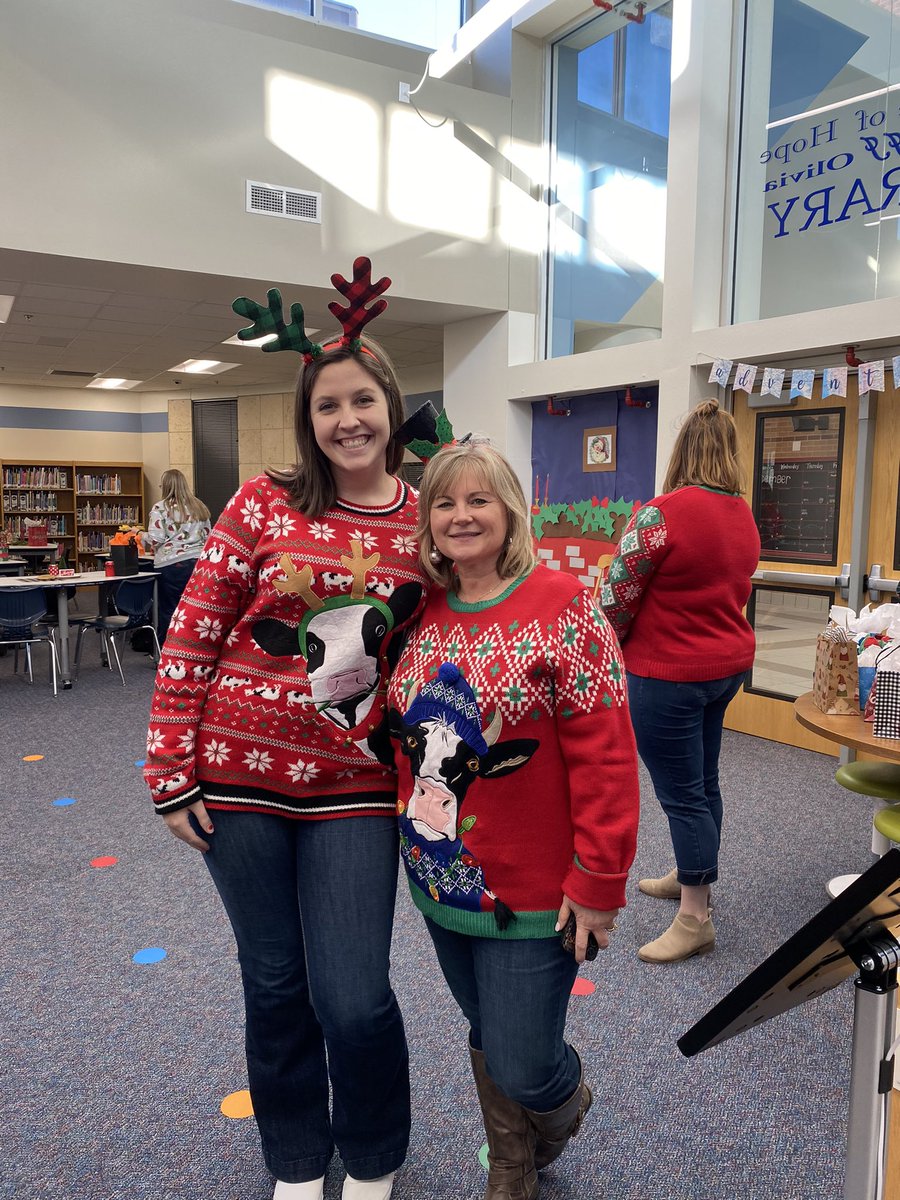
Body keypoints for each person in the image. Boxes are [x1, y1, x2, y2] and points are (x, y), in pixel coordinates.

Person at [143, 294, 427, 1200]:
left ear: (390, 404)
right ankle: (298, 1162)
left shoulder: (425, 523)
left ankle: (375, 1157)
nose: (347, 420)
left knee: (354, 995)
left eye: (362, 400)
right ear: (310, 422)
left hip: (354, 786)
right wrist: (169, 768)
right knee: (274, 985)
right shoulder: (263, 502)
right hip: (237, 783)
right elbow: (193, 634)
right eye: (326, 405)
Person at [387, 440, 639, 1200]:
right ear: (427, 521)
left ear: (510, 511)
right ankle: (511, 1160)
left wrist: (600, 878)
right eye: (443, 502)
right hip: (440, 874)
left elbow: (607, 755)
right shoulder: (418, 611)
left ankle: (562, 1106)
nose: (460, 516)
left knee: (525, 1056)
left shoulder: (565, 607)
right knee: (489, 1028)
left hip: (537, 886)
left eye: (478, 500)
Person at [601, 398, 760, 964]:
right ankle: (692, 876)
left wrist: (611, 642)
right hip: (725, 669)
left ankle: (695, 916)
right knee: (703, 779)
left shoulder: (661, 514)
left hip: (668, 673)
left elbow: (616, 595)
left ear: (683, 450)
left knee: (682, 793)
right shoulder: (743, 513)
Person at [141, 468, 211, 641]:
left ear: (165, 486)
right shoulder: (199, 506)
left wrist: (140, 534)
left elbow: (156, 539)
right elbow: (208, 534)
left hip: (171, 565)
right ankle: (195, 647)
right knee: (194, 608)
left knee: (169, 609)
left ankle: (168, 651)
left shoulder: (161, 507)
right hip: (198, 563)